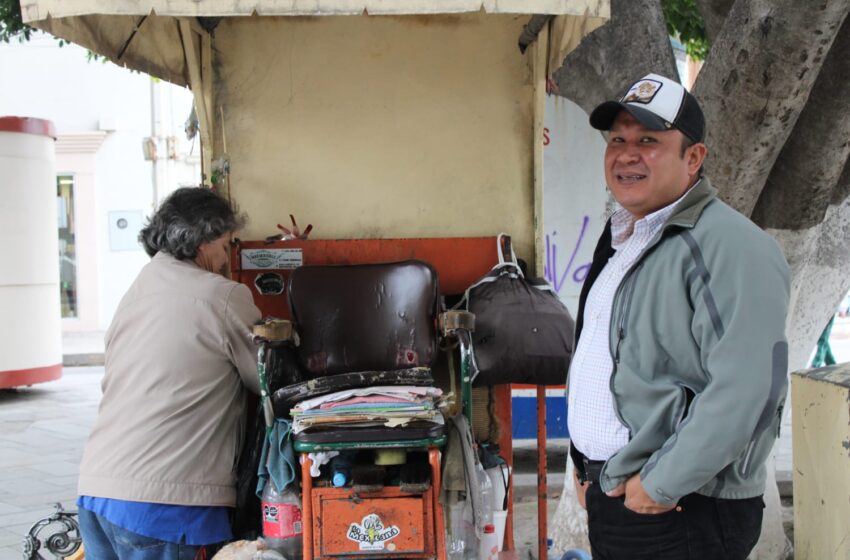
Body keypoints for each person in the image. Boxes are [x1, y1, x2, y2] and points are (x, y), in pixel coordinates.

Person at [566, 73, 790, 559]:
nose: (627, 154)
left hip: (683, 508)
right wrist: (586, 469)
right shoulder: (627, 237)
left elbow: (750, 388)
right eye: (618, 139)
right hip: (621, 497)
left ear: (694, 158)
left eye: (648, 140)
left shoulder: (731, 245)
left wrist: (661, 484)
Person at [76, 187, 262, 559]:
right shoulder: (221, 296)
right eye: (225, 246)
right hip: (167, 504)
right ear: (202, 241)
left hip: (98, 493)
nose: (227, 259)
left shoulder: (137, 291)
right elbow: (268, 379)